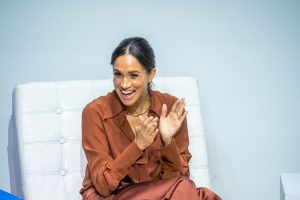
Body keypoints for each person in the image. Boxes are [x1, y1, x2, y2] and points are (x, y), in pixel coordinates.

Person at [80, 37, 222, 200]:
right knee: (188, 189)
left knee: (205, 196)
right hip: (111, 195)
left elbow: (178, 178)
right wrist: (137, 146)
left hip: (158, 193)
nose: (124, 84)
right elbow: (103, 185)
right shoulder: (95, 112)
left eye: (133, 75)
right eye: (118, 75)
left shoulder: (169, 108)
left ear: (151, 74)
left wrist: (168, 142)